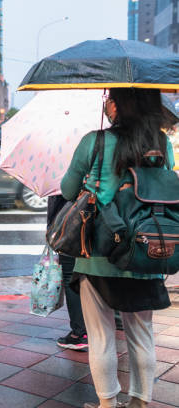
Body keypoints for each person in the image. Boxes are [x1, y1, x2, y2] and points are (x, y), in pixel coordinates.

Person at [61, 88, 174, 408]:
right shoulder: (162, 144)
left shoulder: (93, 141)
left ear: (122, 103)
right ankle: (140, 402)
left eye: (109, 96)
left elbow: (68, 190)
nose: (106, 102)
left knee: (101, 337)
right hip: (146, 252)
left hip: (98, 256)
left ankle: (108, 405)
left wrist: (91, 181)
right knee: (142, 334)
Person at [46, 195, 88, 351]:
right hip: (100, 227)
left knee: (71, 278)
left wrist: (51, 230)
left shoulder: (64, 172)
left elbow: (63, 195)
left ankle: (79, 333)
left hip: (71, 228)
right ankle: (115, 320)